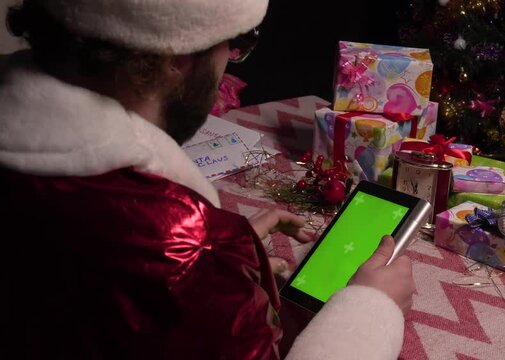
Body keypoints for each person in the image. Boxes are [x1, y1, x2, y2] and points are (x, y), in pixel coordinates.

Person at [0, 0, 416, 359]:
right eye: (236, 44)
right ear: (177, 56)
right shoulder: (180, 249)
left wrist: (221, 268)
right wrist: (369, 311)